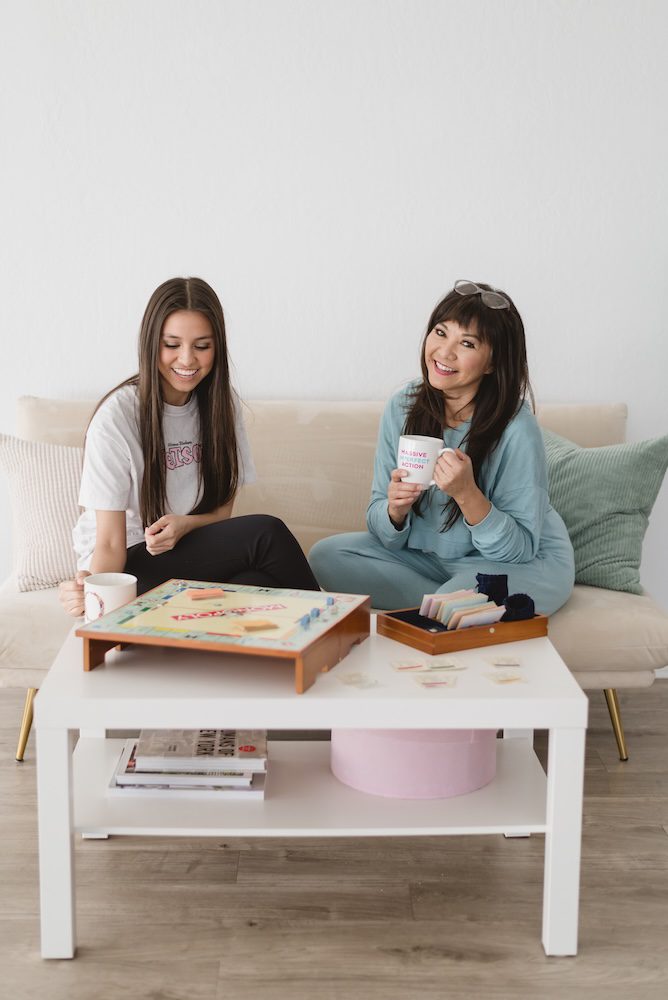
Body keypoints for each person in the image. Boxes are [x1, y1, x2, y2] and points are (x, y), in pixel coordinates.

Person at [309, 280, 574, 614]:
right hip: (429, 560)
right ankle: (455, 604)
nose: (445, 352)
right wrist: (395, 510)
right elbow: (383, 528)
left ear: (492, 362)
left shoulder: (515, 427)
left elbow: (518, 549)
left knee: (454, 601)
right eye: (440, 332)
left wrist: (467, 494)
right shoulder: (403, 406)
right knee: (327, 557)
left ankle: (454, 603)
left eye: (466, 343)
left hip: (521, 563)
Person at [59, 276, 319, 616]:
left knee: (252, 578)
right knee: (266, 532)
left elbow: (222, 509)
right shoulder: (117, 418)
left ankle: (309, 642)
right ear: (151, 344)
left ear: (217, 347)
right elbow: (109, 543)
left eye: (201, 345)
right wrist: (98, 596)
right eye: (172, 344)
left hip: (185, 553)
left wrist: (187, 524)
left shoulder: (219, 408)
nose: (187, 359)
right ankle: (339, 630)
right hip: (131, 568)